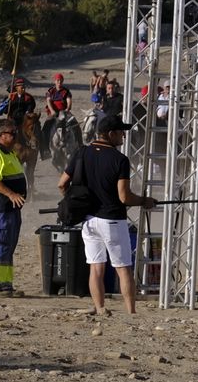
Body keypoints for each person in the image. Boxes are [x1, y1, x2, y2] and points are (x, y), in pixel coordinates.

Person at [57, 115, 158, 315]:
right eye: (121, 132)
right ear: (111, 134)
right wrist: (144, 201)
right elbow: (124, 197)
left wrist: (77, 203)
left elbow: (62, 184)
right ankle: (131, 312)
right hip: (112, 220)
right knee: (123, 268)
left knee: (96, 268)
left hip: (88, 221)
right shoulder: (120, 160)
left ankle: (100, 307)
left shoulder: (81, 152)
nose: (123, 136)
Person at [0, 118, 28, 295]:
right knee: (1, 243)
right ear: (1, 135)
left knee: (9, 245)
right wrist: (11, 194)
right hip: (1, 208)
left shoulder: (9, 152)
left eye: (16, 132)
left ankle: (5, 283)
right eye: (12, 133)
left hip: (12, 209)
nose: (16, 136)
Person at [39, 73, 74, 158]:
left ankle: (80, 144)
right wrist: (52, 111)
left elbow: (69, 102)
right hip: (53, 113)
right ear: (55, 81)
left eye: (61, 80)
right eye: (58, 80)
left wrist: (67, 109)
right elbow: (48, 101)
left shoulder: (66, 91)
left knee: (75, 125)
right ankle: (45, 150)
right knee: (45, 129)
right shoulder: (51, 91)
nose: (59, 82)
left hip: (64, 112)